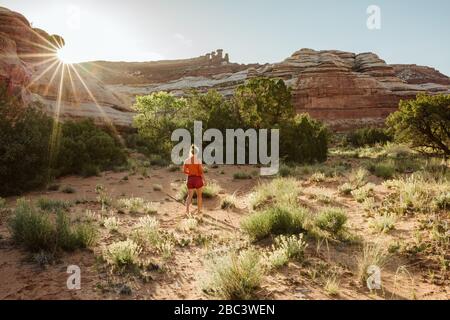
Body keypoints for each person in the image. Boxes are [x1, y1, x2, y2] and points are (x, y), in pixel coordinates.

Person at [183, 144, 206, 216]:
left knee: (189, 196)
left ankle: (187, 211)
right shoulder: (198, 160)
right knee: (199, 196)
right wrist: (204, 180)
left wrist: (189, 172)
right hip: (198, 179)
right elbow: (201, 172)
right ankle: (199, 211)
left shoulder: (186, 160)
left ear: (190, 151)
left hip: (190, 179)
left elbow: (184, 171)